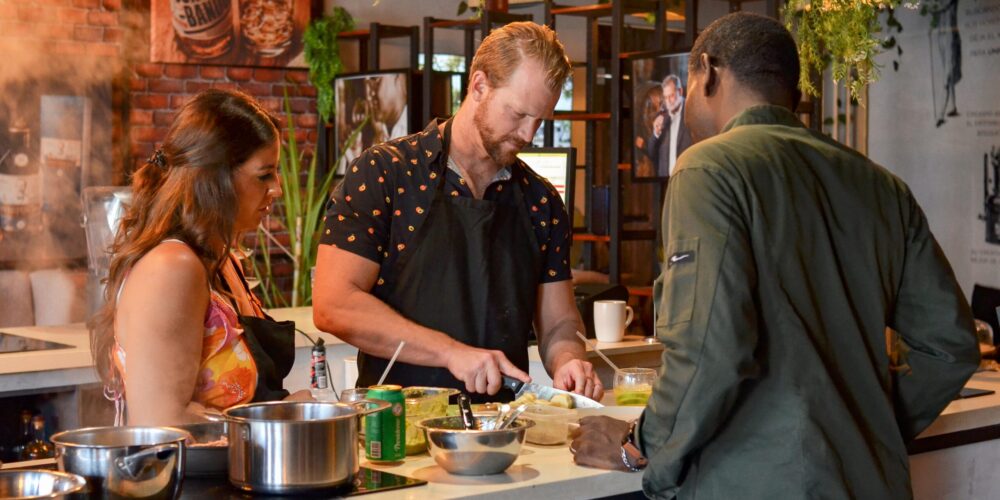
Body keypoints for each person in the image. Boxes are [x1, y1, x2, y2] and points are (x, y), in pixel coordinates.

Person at [571, 12, 979, 499]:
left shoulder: (709, 169)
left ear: (709, 71)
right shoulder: (881, 185)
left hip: (754, 482)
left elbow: (708, 349)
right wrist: (862, 426)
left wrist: (639, 446)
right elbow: (951, 346)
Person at [314, 22, 603, 403]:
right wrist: (451, 352)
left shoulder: (541, 201)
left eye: (541, 119)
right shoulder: (385, 172)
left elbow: (560, 323)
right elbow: (334, 304)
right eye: (518, 114)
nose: (529, 135)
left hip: (502, 432)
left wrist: (568, 359)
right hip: (398, 429)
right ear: (479, 85)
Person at [90, 89, 311, 426]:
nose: (277, 189)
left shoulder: (222, 261)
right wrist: (279, 417)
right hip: (186, 477)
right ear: (214, 176)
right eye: (264, 174)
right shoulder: (172, 268)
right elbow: (160, 423)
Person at [644, 75, 691, 178]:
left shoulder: (692, 114)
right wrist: (656, 133)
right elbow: (651, 153)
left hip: (687, 179)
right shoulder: (661, 116)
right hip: (665, 182)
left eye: (671, 96)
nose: (668, 101)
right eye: (665, 97)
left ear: (680, 92)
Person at [367, 73, 408, 142]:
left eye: (376, 82)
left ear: (398, 78)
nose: (370, 95)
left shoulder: (419, 130)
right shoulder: (378, 130)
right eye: (369, 85)